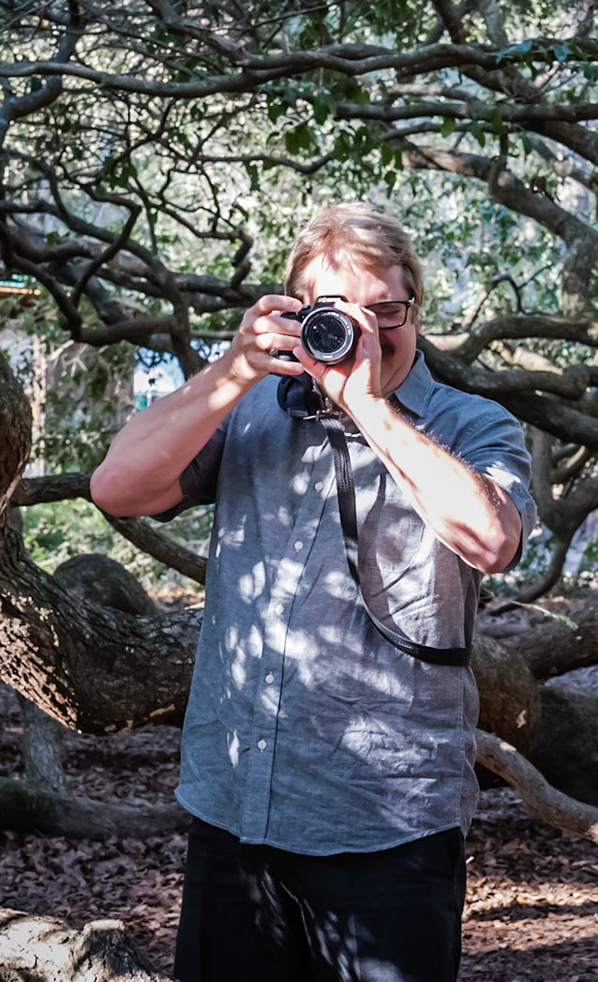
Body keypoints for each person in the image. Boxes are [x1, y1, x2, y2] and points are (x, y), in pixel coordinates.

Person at [90, 201, 537, 982]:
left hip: (386, 823)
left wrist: (365, 403)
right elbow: (116, 488)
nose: (365, 332)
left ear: (415, 309)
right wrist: (232, 371)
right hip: (236, 808)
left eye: (385, 311)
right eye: (339, 313)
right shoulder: (250, 412)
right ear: (296, 313)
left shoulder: (471, 425)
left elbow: (491, 539)